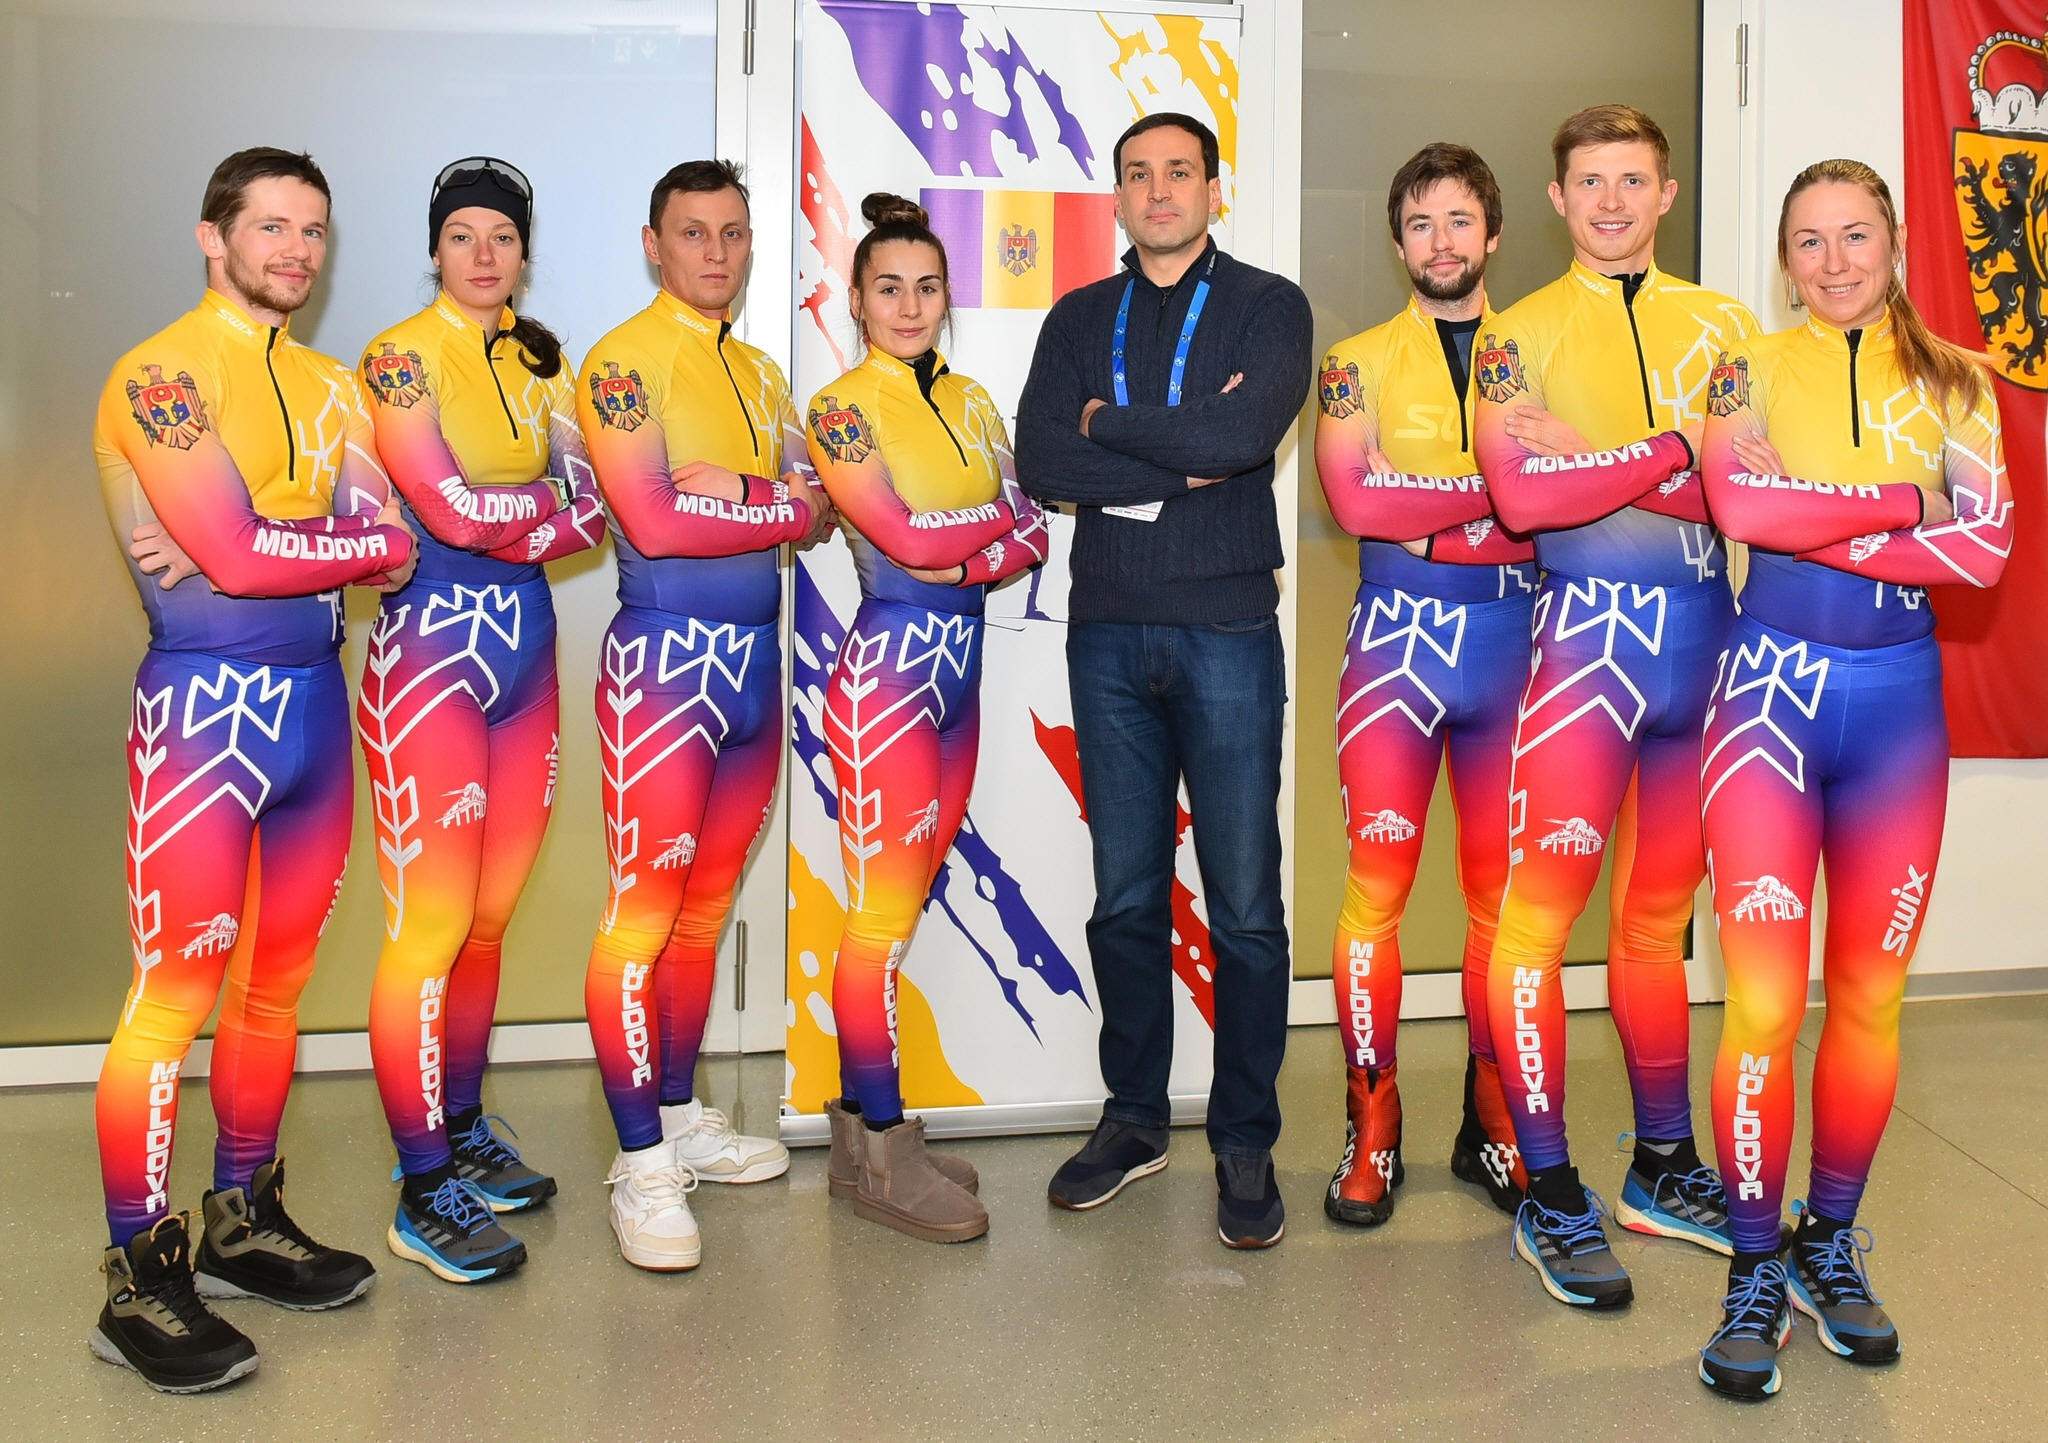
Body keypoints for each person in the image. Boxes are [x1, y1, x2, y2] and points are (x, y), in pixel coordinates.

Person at [89, 147, 415, 1392]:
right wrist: (299, 537)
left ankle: (239, 1221)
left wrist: (271, 536)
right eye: (270, 226)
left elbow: (391, 548)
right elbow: (235, 557)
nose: (294, 250)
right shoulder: (161, 375)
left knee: (274, 990)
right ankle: (138, 1274)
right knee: (172, 1000)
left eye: (312, 230)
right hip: (203, 718)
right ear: (211, 236)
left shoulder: (334, 386)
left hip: (314, 719)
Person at [1691, 159, 2009, 1399]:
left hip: (1895, 722)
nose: (1832, 262)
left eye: (1854, 236)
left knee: (1869, 1001)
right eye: (1808, 242)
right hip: (1762, 711)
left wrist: (1809, 509)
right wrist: (1900, 502)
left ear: (1894, 242)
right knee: (1766, 1005)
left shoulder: (1959, 381)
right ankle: (1751, 1266)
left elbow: (1982, 553)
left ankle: (1826, 1241)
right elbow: (1738, 510)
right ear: (1783, 260)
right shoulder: (1740, 368)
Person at [1472, 103, 1758, 1307]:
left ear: (1664, 193)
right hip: (1583, 657)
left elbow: (1747, 500)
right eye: (1586, 181)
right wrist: (1672, 449)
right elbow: (1519, 501)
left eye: (1629, 180)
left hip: (1704, 652)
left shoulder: (1727, 324)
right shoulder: (1511, 334)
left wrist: (1591, 452)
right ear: (1555, 198)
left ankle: (1659, 1165)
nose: (1607, 202)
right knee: (1536, 926)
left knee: (1655, 928)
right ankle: (1546, 1187)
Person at [1017, 112, 1313, 1249]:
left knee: (1243, 905)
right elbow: (1043, 456)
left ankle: (1243, 1137)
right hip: (1107, 634)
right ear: (1117, 197)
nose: (1157, 191)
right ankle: (1134, 1117)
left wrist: (1112, 424)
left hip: (1227, 626)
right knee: (1127, 897)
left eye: (1178, 172)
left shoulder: (1269, 306)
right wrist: (1180, 449)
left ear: (1212, 189)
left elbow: (1242, 435)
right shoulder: (1077, 316)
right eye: (1136, 175)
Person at [577, 160, 832, 1271]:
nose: (716, 252)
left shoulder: (762, 372)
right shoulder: (622, 361)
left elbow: (820, 509)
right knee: (642, 915)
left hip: (750, 670)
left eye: (732, 232)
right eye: (693, 232)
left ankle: (677, 1114)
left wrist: (734, 491)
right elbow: (653, 519)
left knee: (702, 911)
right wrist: (761, 501)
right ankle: (638, 1162)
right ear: (654, 242)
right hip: (663, 666)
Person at [357, 157, 605, 1283]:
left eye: (501, 235)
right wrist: (534, 512)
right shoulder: (399, 357)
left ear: (523, 251)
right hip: (430, 663)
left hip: (524, 662)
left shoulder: (543, 362)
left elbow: (595, 510)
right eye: (462, 234)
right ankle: (421, 1189)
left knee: (489, 919)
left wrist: (515, 517)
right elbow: (448, 511)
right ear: (435, 249)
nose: (484, 253)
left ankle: (458, 1127)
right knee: (430, 926)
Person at [805, 193, 1050, 1243]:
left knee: (894, 920)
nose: (909, 307)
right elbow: (907, 541)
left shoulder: (973, 398)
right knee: (877, 924)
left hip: (958, 691)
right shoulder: (838, 409)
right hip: (888, 688)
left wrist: (965, 545)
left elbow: (1032, 529)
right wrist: (974, 536)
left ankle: (863, 1140)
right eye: (888, 289)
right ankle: (883, 1151)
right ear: (856, 300)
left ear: (947, 298)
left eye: (926, 288)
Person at [1312, 143, 1536, 1228]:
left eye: (1458, 220)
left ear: (1492, 233)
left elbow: (1559, 499)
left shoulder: (1540, 351)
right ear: (1397, 243)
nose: (1440, 242)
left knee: (1503, 906)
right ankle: (1373, 1123)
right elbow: (1356, 504)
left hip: (1517, 654)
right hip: (1393, 657)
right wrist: (1495, 499)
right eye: (1419, 224)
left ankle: (1492, 1120)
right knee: (1375, 898)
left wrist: (1429, 508)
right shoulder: (1351, 362)